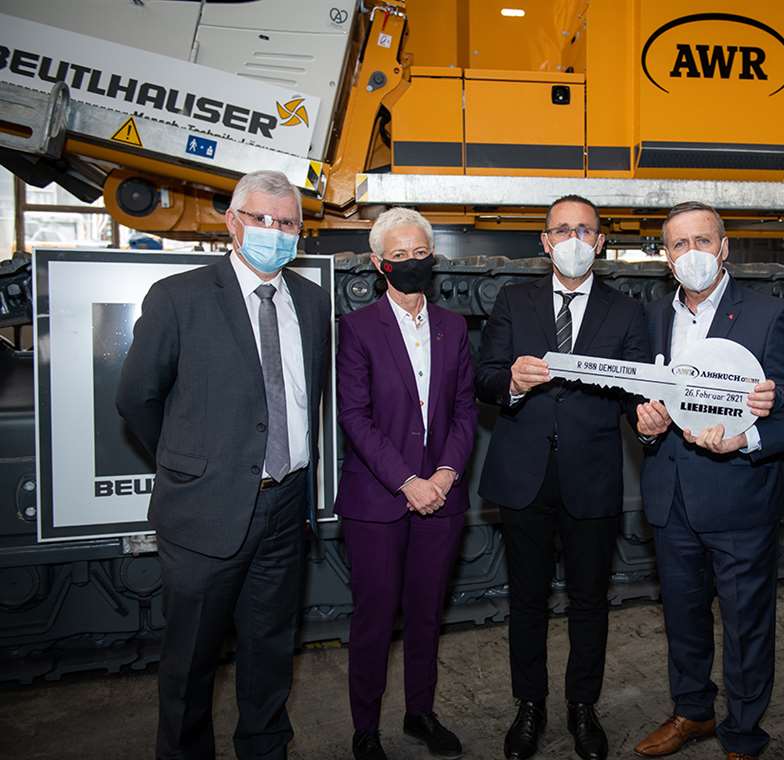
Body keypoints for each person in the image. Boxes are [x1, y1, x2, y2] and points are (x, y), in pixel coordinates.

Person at [116, 170, 332, 760]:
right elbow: (136, 397)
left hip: (286, 509)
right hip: (205, 511)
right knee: (190, 665)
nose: (275, 231)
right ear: (233, 222)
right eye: (261, 218)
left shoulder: (312, 304)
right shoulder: (179, 296)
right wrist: (193, 466)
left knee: (269, 652)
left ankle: (266, 750)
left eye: (287, 222)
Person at [475, 194, 650, 760]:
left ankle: (582, 706)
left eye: (585, 230)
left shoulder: (626, 311)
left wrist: (647, 426)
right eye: (562, 230)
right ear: (545, 240)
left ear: (600, 241)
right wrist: (515, 384)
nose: (573, 239)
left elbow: (635, 395)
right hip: (525, 475)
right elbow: (484, 377)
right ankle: (530, 705)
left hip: (592, 477)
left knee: (589, 600)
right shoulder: (513, 300)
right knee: (525, 600)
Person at [631, 202, 784, 760]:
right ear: (667, 257)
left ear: (724, 248)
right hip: (671, 495)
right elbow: (642, 400)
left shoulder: (769, 314)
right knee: (682, 616)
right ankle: (693, 713)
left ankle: (744, 734)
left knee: (747, 624)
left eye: (703, 242)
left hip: (739, 495)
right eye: (679, 245)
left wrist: (749, 437)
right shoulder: (651, 316)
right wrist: (647, 424)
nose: (692, 254)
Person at [335, 207, 477, 760]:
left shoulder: (455, 326)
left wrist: (443, 474)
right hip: (378, 501)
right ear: (379, 263)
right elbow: (354, 416)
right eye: (400, 257)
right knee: (374, 617)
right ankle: (365, 729)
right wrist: (406, 482)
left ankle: (420, 713)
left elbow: (465, 411)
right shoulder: (357, 328)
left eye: (421, 254)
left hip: (442, 497)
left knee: (426, 612)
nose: (412, 263)